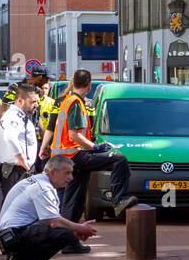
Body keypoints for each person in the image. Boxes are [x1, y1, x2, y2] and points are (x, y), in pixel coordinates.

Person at [52, 70, 137, 236]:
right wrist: (95, 147)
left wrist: (94, 145)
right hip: (74, 155)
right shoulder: (76, 103)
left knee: (73, 201)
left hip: (66, 157)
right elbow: (74, 135)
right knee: (118, 159)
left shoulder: (68, 101)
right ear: (88, 85)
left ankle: (68, 241)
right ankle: (119, 200)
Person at [0, 156, 98, 260]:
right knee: (65, 234)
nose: (71, 178)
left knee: (63, 230)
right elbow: (54, 222)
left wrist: (73, 228)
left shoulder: (37, 180)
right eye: (67, 173)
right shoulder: (44, 188)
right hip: (13, 236)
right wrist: (80, 228)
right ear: (53, 172)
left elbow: (48, 220)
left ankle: (19, 258)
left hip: (9, 235)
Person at [0, 83, 39, 199]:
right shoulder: (13, 117)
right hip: (15, 171)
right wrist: (21, 159)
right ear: (20, 101)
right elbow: (9, 137)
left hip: (18, 170)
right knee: (15, 209)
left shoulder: (18, 116)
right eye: (33, 102)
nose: (36, 105)